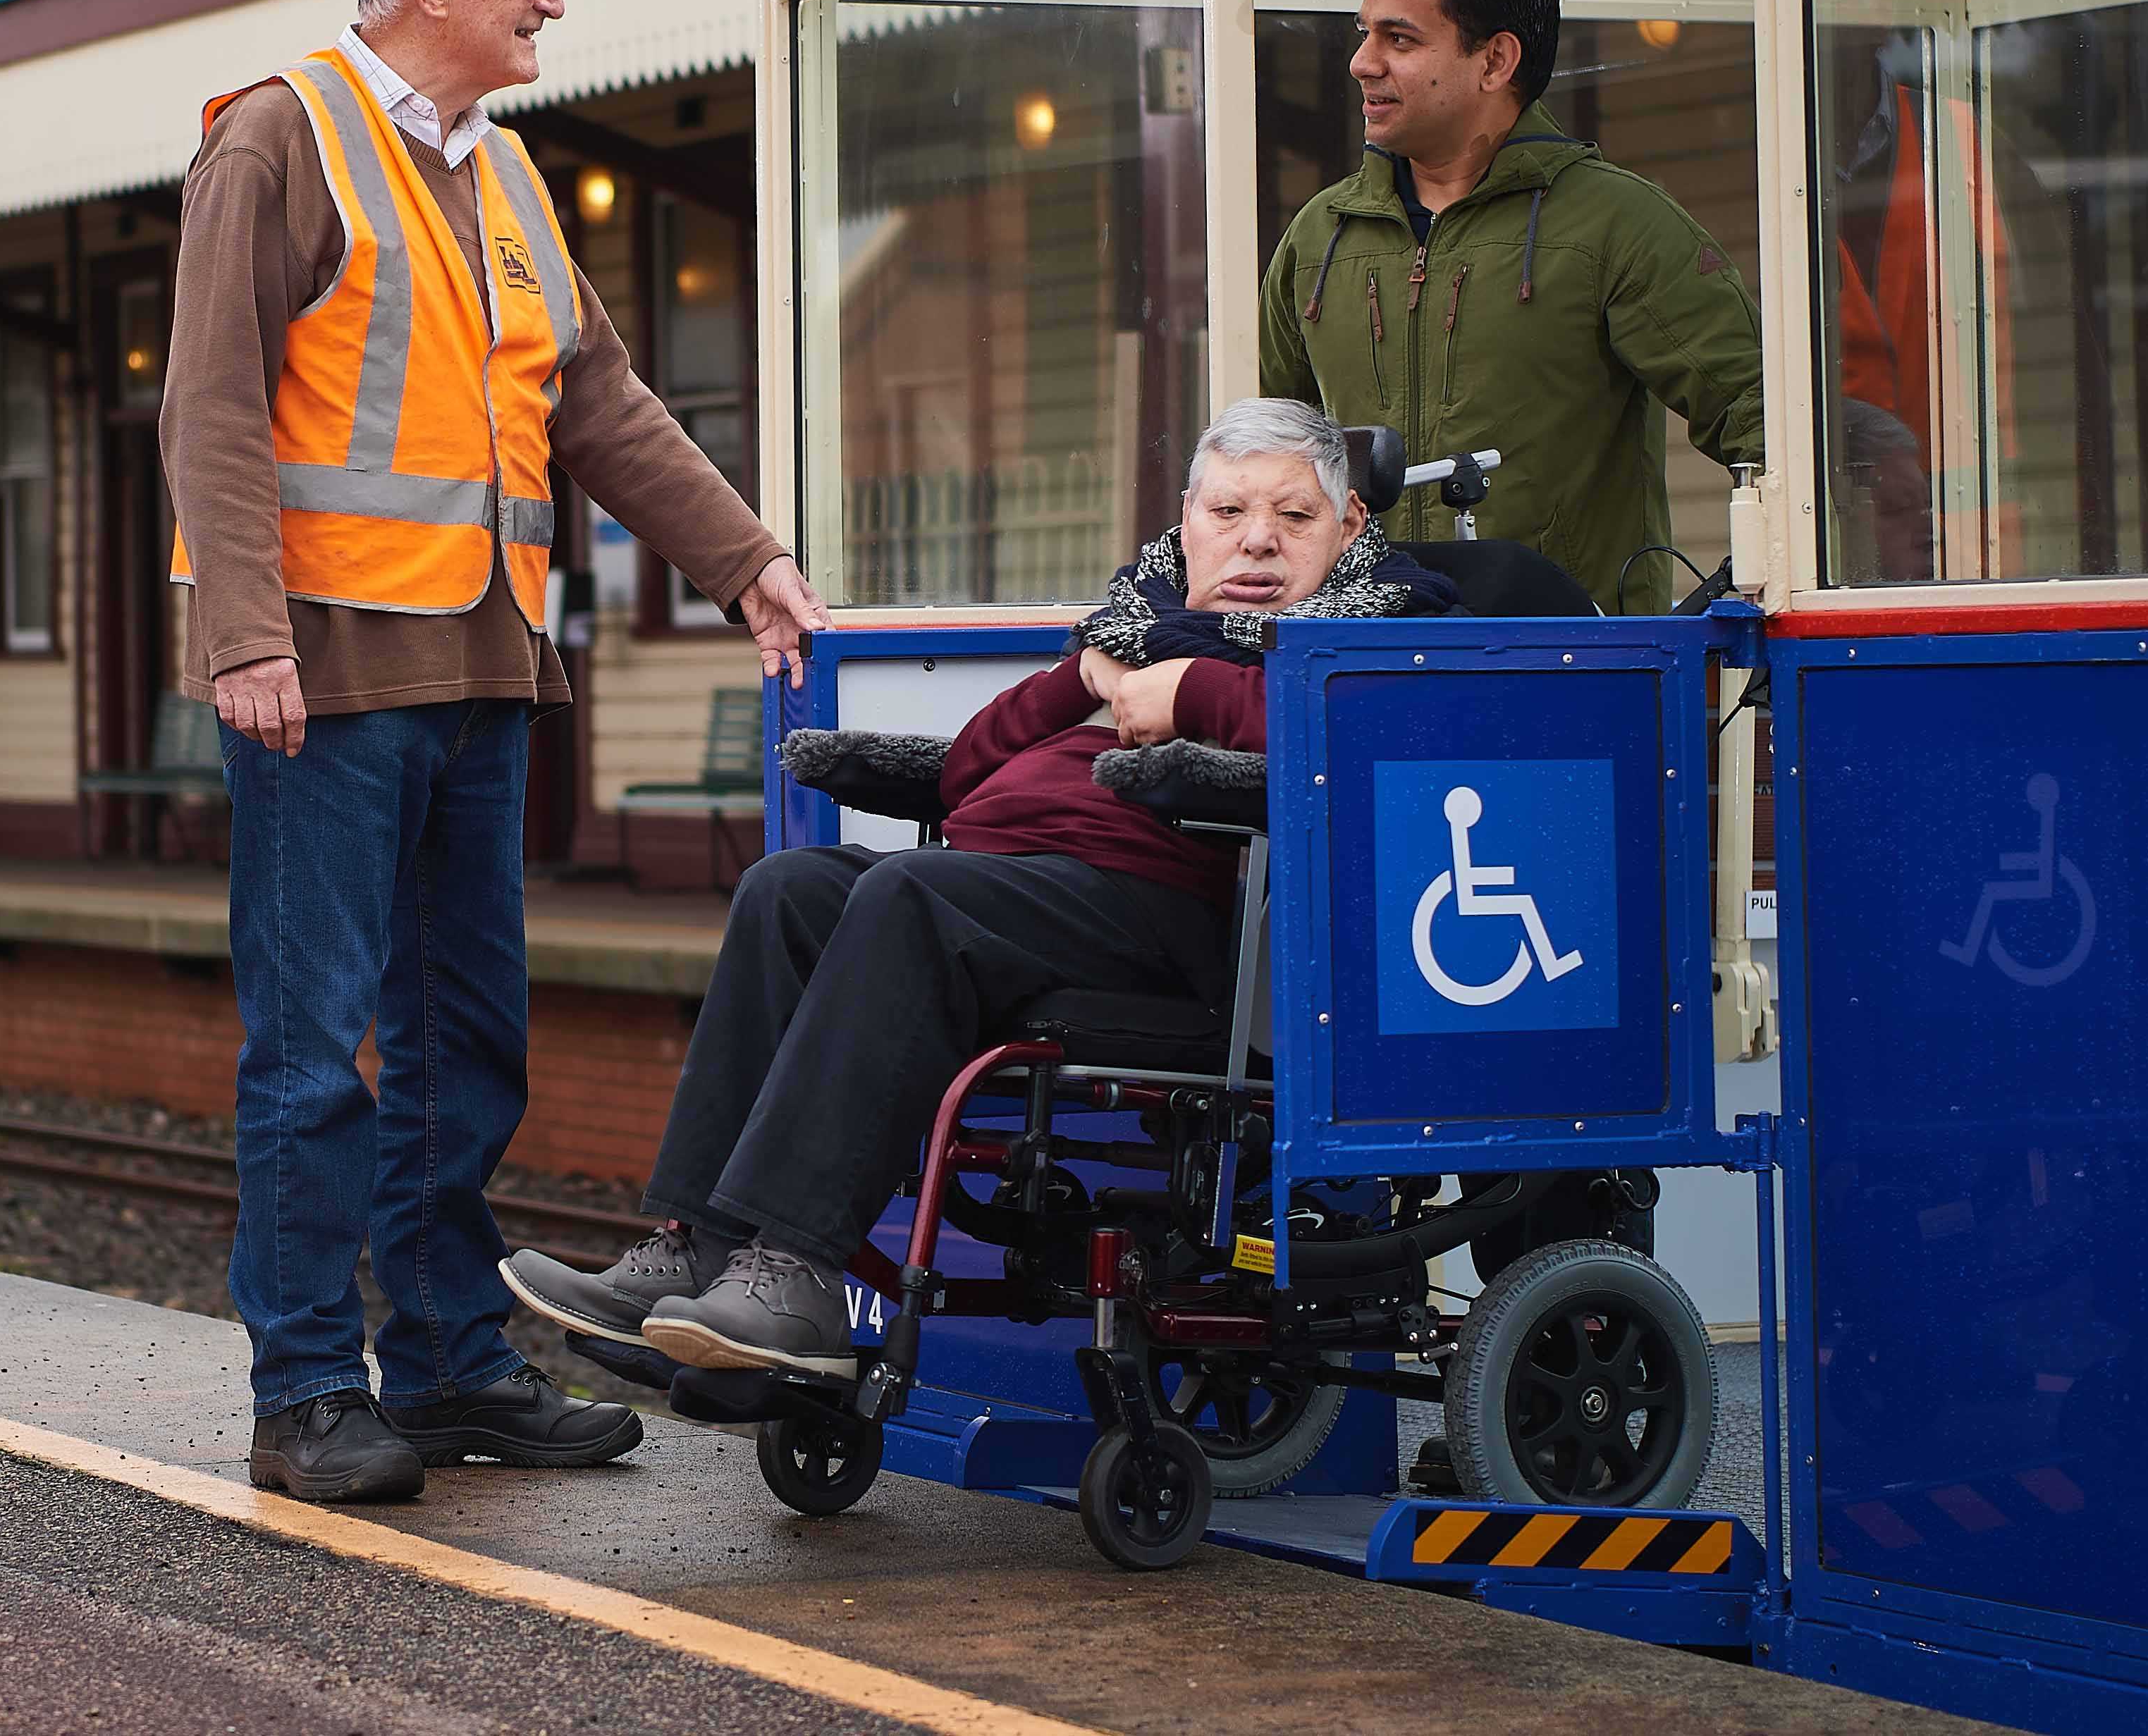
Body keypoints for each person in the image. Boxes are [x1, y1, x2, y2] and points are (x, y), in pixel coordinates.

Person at [164, 0, 830, 1504]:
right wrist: (245, 638)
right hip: (318, 679)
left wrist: (743, 558)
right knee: (316, 1052)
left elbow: (596, 406)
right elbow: (211, 404)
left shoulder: (517, 178)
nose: (551, 5)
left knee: (467, 1039)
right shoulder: (279, 136)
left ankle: (453, 1363)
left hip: (478, 669)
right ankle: (307, 1386)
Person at [503, 400, 1457, 1377]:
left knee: (911, 896)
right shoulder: (1138, 623)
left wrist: (1191, 695)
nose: (1256, 537)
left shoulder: (1377, 628)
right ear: (1186, 521)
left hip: (1170, 912)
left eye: (1294, 516)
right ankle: (702, 1245)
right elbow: (967, 772)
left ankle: (794, 1273)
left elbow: (1362, 745)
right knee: (787, 888)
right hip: (1017, 887)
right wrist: (1085, 673)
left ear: (1349, 527)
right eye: (1229, 510)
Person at [1260, 0, 1762, 616]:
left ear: (1495, 60)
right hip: (1359, 673)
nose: (1362, 62)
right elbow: (1263, 467)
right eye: (1363, 32)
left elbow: (1763, 417)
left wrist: (1737, 607)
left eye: (1398, 38)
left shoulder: (1616, 223)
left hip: (1568, 679)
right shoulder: (1319, 236)